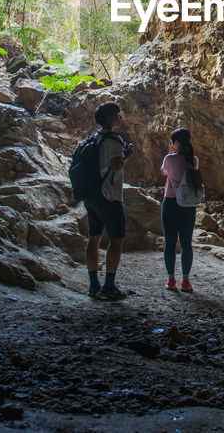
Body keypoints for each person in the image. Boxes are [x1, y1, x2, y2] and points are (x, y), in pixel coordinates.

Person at [84, 102, 134, 300]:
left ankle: (93, 285)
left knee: (94, 238)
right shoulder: (114, 140)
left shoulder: (93, 138)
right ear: (109, 119)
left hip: (92, 195)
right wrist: (127, 156)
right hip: (110, 196)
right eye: (117, 114)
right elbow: (115, 165)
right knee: (117, 239)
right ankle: (109, 286)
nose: (120, 117)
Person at [160, 127, 200, 292]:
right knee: (186, 244)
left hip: (170, 202)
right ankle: (186, 280)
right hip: (188, 205)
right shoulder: (194, 160)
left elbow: (164, 173)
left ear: (176, 143)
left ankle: (171, 279)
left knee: (169, 243)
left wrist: (171, 152)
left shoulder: (169, 158)